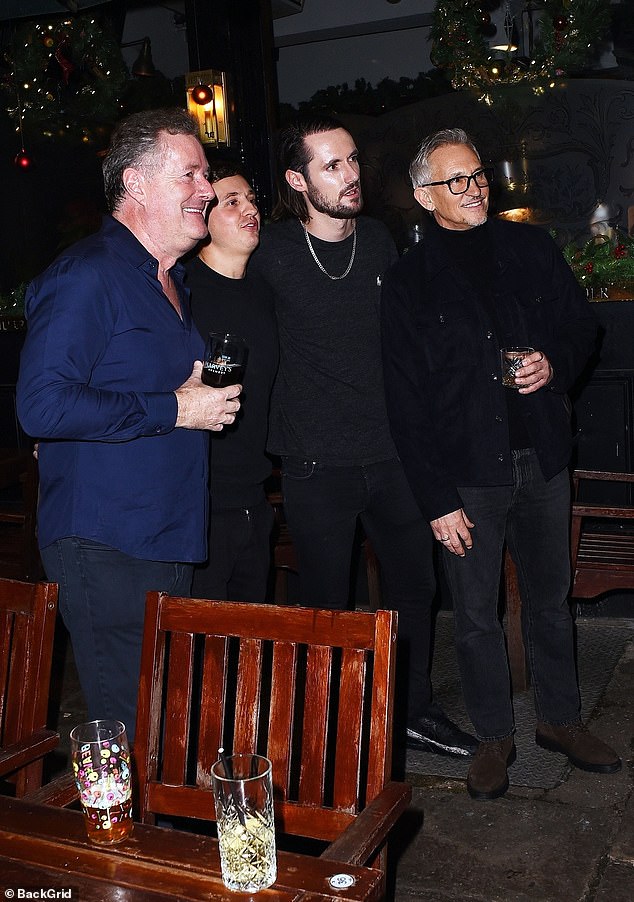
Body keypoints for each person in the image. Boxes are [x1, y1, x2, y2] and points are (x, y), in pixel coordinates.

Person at [380, 127, 621, 800]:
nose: (475, 187)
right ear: (427, 196)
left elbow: (582, 329)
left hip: (541, 457)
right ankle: (494, 737)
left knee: (550, 599)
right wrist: (435, 499)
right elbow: (404, 400)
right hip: (465, 475)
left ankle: (561, 721)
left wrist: (555, 363)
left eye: (479, 174)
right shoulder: (406, 282)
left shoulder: (530, 247)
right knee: (477, 613)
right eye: (456, 180)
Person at [250, 115, 477, 759]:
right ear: (299, 180)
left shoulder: (378, 240)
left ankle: (411, 711)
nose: (351, 176)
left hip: (392, 452)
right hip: (316, 461)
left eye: (352, 161)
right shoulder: (273, 251)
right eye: (331, 166)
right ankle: (333, 726)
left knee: (415, 587)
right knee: (328, 599)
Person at [17, 108, 240, 742]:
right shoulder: (87, 273)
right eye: (191, 175)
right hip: (105, 542)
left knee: (165, 725)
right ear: (136, 182)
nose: (207, 189)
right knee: (124, 729)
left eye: (207, 175)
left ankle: (146, 837)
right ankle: (114, 841)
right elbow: (41, 406)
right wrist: (176, 407)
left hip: (165, 535)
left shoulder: (170, 281)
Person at [186, 163, 278, 602]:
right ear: (202, 221)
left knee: (249, 654)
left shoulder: (266, 290)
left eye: (252, 199)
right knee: (200, 654)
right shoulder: (182, 293)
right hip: (200, 505)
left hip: (255, 499)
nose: (250, 209)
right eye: (232, 202)